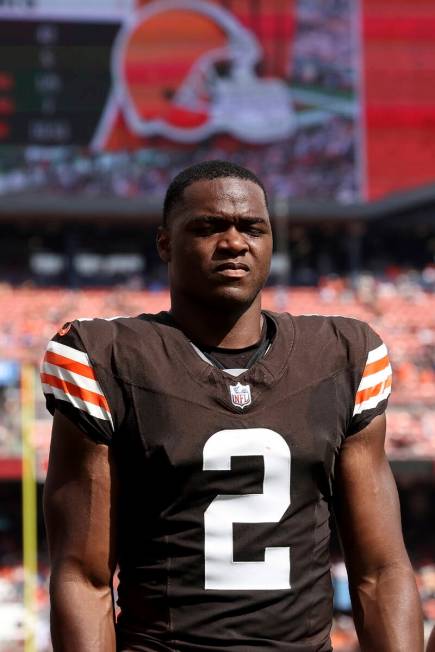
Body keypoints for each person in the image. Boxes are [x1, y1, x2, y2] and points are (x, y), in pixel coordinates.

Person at [42, 160, 423, 651]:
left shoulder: (341, 355)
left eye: (251, 228)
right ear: (164, 243)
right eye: (207, 227)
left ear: (270, 242)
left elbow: (379, 570)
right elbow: (83, 577)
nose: (233, 242)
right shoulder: (107, 356)